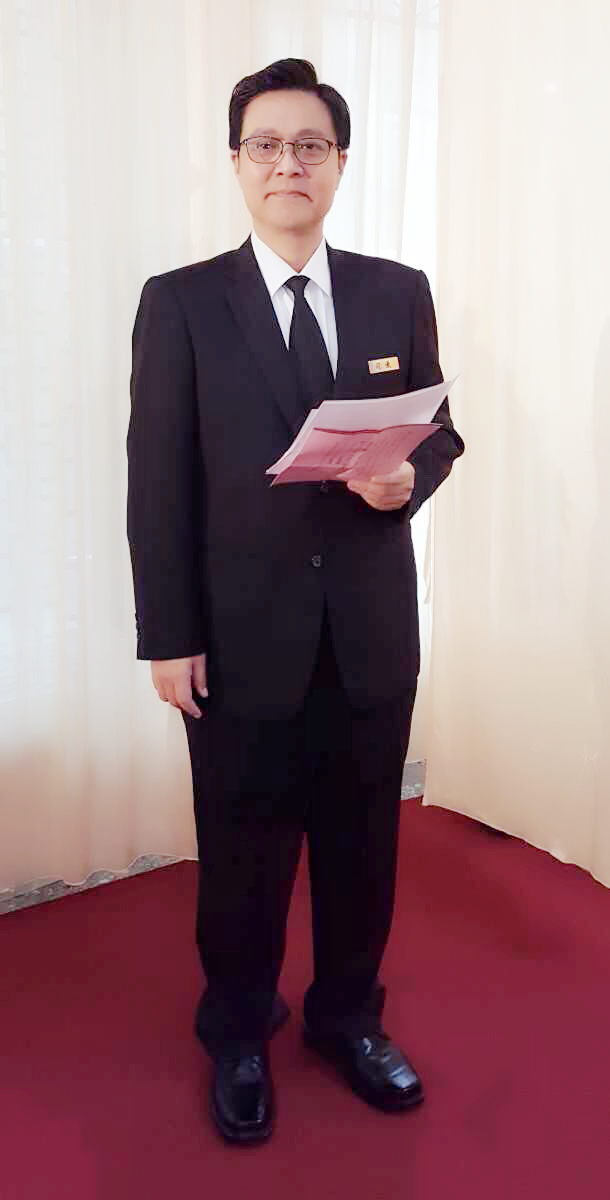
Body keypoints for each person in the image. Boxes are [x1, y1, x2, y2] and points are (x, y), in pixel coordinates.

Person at [127, 58, 464, 1146]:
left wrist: (408, 480)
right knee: (243, 854)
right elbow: (156, 482)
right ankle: (236, 1031)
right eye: (266, 144)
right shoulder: (181, 302)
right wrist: (168, 635)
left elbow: (439, 431)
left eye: (309, 145)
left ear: (340, 163)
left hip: (370, 633)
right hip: (237, 640)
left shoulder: (394, 289)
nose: (288, 163)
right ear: (236, 163)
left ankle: (348, 1019)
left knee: (364, 848)